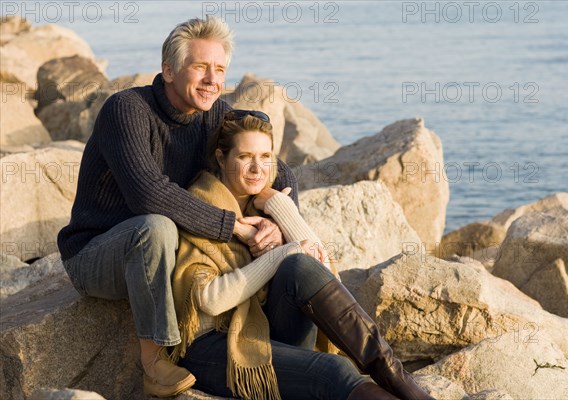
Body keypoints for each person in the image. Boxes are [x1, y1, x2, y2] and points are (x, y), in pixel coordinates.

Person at [57, 17, 298, 398]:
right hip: (97, 254)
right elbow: (149, 195)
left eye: (219, 69)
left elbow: (277, 167)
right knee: (155, 226)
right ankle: (156, 361)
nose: (212, 80)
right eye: (200, 67)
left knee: (168, 230)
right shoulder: (127, 110)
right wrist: (235, 226)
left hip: (167, 256)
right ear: (168, 70)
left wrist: (277, 223)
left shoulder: (213, 113)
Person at [171, 110, 435, 400]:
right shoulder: (202, 206)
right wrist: (281, 252)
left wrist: (279, 206)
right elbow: (209, 300)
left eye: (265, 156)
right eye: (245, 157)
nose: (257, 168)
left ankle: (393, 374)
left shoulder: (262, 206)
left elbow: (321, 270)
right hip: (212, 348)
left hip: (261, 331)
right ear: (222, 159)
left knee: (299, 266)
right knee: (333, 371)